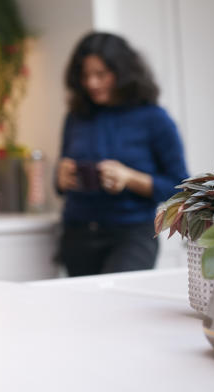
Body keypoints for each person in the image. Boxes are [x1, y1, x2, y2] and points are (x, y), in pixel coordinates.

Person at [55, 31, 187, 276]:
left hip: (131, 235)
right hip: (78, 234)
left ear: (123, 72)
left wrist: (129, 178)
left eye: (100, 75)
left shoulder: (154, 119)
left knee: (116, 305)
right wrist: (61, 178)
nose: (91, 83)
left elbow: (179, 186)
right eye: (85, 76)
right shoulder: (76, 117)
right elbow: (61, 181)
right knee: (84, 311)